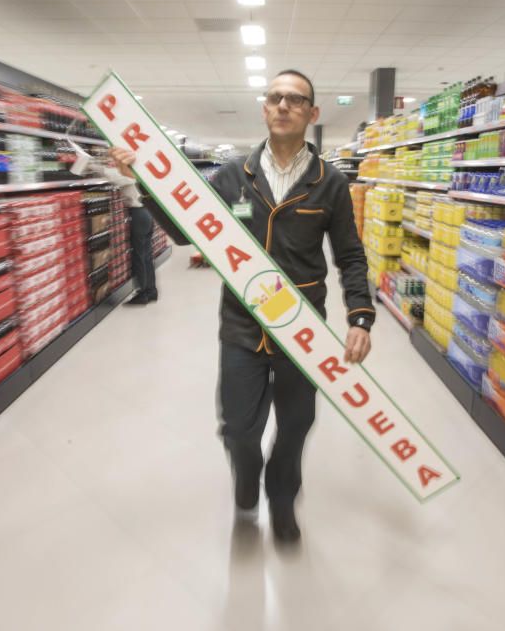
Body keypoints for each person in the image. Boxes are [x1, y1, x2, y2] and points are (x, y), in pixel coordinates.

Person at [110, 70, 375, 543]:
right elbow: (185, 232)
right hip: (241, 324)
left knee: (296, 425)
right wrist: (144, 183)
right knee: (236, 426)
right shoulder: (234, 174)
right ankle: (247, 475)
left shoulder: (330, 182)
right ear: (264, 108)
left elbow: (350, 255)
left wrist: (360, 316)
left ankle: (282, 497)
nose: (284, 105)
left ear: (312, 113)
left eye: (296, 99)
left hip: (302, 330)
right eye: (275, 97)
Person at [105, 161, 158, 305]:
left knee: (139, 256)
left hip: (138, 214)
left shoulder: (129, 176)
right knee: (146, 255)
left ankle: (142, 293)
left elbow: (112, 176)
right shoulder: (139, 174)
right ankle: (151, 291)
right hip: (147, 213)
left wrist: (91, 164)